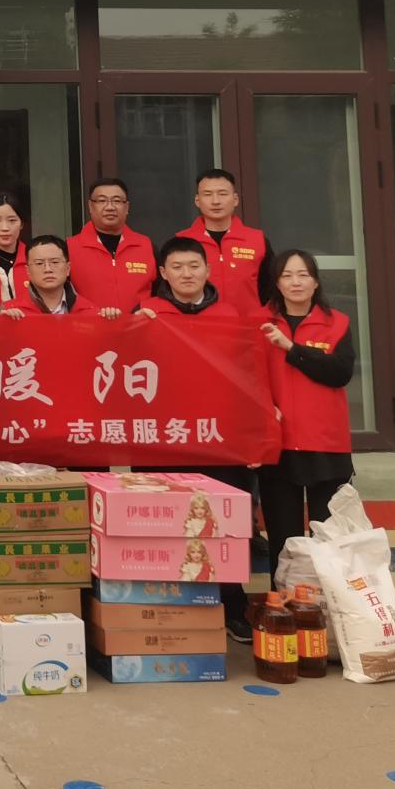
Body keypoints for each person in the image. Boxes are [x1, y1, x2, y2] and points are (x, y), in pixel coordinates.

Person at [134, 233, 264, 642]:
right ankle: (170, 606)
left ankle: (233, 606)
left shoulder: (230, 316)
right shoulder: (146, 313)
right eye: (177, 267)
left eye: (194, 266)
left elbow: (249, 377)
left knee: (223, 525)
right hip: (163, 440)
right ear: (162, 272)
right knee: (168, 524)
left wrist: (255, 432)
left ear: (208, 271)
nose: (186, 274)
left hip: (219, 439)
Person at [256, 249, 356, 587]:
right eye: (286, 275)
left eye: (303, 275)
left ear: (315, 282)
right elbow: (245, 376)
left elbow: (339, 372)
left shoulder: (337, 322)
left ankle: (328, 605)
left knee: (330, 538)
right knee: (283, 538)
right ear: (276, 283)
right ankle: (284, 605)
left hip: (326, 443)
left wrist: (292, 348)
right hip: (278, 443)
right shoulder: (260, 323)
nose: (295, 282)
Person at [181, 168, 273, 309]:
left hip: (249, 322)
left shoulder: (257, 241)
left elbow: (271, 290)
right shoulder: (182, 242)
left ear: (235, 199)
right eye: (208, 194)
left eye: (222, 194)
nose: (215, 201)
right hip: (198, 322)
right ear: (197, 201)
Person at [66, 179, 156, 318]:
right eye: (102, 201)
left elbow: (163, 293)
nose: (110, 207)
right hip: (87, 328)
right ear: (90, 206)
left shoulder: (146, 246)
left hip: (138, 328)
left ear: (127, 207)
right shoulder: (69, 247)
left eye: (117, 201)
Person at [0, 235, 98, 318]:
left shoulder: (90, 312)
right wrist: (3, 324)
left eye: (55, 262)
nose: (48, 269)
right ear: (28, 271)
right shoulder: (9, 311)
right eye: (39, 263)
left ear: (68, 268)